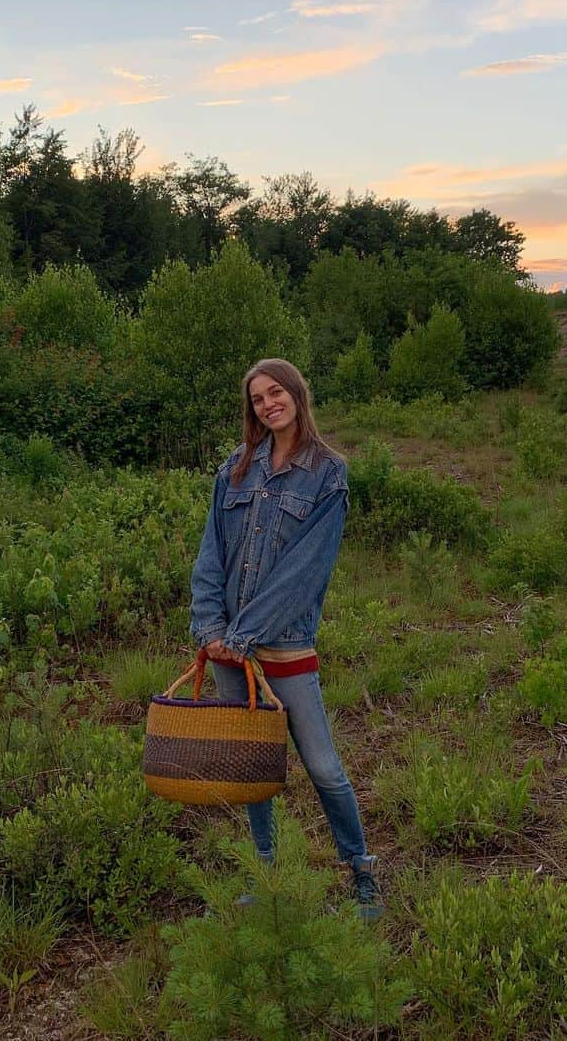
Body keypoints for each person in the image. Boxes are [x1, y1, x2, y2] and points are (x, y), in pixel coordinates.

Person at [189, 357, 384, 922]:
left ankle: (361, 871)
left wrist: (245, 634)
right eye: (257, 399)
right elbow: (210, 558)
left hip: (283, 645)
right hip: (228, 649)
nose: (268, 404)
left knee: (322, 766)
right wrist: (212, 631)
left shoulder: (327, 474)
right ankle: (265, 871)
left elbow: (305, 572)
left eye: (276, 392)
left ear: (297, 394)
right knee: (253, 765)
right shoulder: (234, 469)